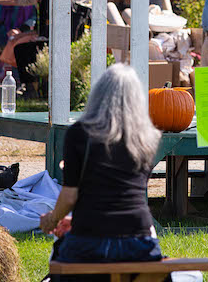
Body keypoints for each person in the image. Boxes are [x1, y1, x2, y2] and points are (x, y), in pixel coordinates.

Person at [39, 64, 163, 277]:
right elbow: (126, 193)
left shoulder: (79, 133)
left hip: (90, 238)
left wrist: (53, 219)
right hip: (139, 239)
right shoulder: (148, 139)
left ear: (98, 94)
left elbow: (70, 196)